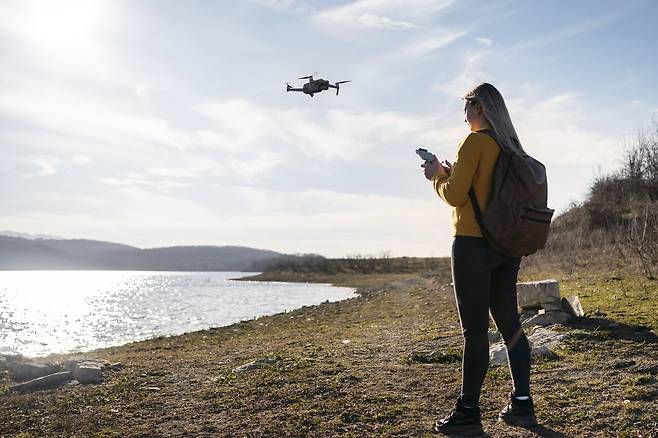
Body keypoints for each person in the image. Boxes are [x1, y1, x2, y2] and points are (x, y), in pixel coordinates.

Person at [422, 83, 538, 437]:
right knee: (510, 324)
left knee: (474, 331)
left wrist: (436, 177)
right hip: (505, 245)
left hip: (472, 244)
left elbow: (457, 195)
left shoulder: (473, 143)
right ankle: (522, 405)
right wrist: (452, 173)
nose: (464, 113)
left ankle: (468, 413)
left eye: (467, 106)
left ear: (480, 108)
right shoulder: (509, 146)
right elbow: (484, 189)